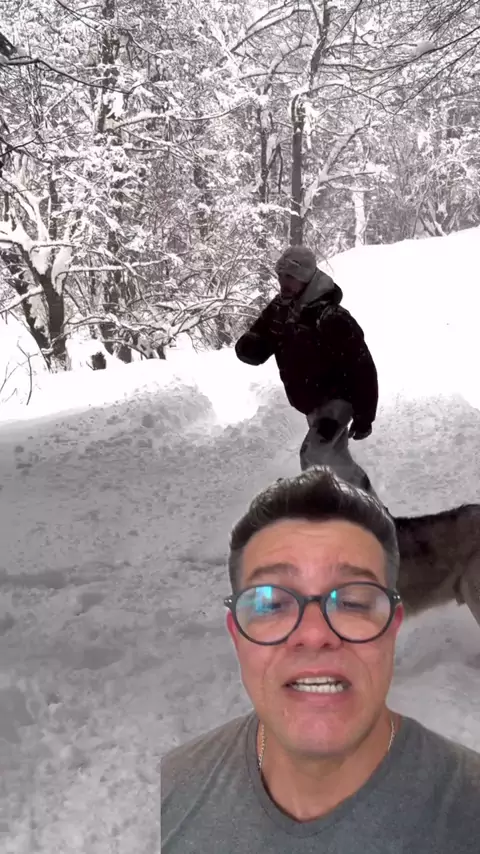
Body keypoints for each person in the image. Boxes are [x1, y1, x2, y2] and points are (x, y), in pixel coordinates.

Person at [161, 466, 480, 853]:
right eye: (273, 602)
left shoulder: (463, 807)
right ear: (236, 630)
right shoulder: (174, 801)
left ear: (392, 621)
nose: (314, 634)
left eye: (352, 600)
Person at [235, 246, 378, 491]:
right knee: (336, 460)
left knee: (313, 456)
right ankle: (368, 504)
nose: (283, 283)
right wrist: (250, 346)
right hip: (312, 402)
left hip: (338, 398)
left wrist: (365, 416)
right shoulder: (280, 309)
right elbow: (257, 346)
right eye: (281, 276)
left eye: (290, 277)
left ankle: (327, 507)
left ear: (306, 277)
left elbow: (362, 366)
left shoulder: (331, 316)